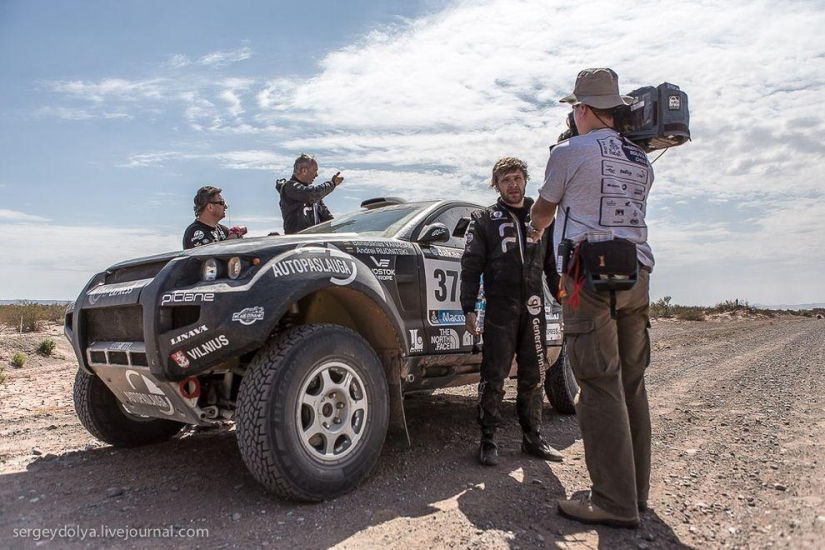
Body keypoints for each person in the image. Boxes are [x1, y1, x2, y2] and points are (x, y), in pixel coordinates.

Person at [528, 68, 655, 529]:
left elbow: (543, 211)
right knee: (631, 383)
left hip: (588, 275)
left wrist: (536, 228)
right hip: (637, 272)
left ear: (581, 108)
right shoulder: (641, 159)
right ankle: (634, 494)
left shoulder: (568, 152)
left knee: (599, 384)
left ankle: (612, 502)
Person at [460, 156, 564, 467]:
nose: (512, 184)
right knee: (494, 374)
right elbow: (471, 266)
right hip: (500, 308)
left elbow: (552, 266)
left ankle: (533, 437)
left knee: (534, 374)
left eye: (517, 177)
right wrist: (468, 308)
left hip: (534, 307)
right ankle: (488, 439)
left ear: (525, 180)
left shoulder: (542, 215)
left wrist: (565, 299)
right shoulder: (484, 219)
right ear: (496, 185)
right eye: (505, 180)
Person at [276, 153, 344, 234]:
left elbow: (327, 218)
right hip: (298, 240)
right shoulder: (289, 187)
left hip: (315, 240)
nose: (317, 175)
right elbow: (312, 195)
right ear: (304, 171)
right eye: (315, 171)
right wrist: (332, 184)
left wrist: (341, 230)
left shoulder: (313, 195)